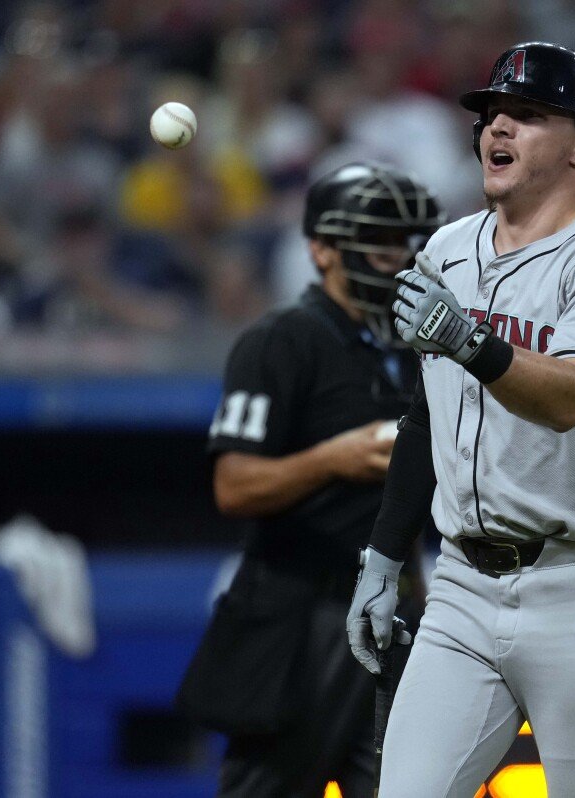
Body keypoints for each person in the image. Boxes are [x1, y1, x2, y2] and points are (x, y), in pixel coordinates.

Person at [344, 41, 575, 797]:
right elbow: (426, 417)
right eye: (493, 114)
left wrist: (467, 338)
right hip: (461, 586)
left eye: (527, 116)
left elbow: (570, 396)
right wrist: (385, 560)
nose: (499, 128)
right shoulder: (448, 249)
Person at [175, 162, 444, 798]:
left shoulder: (413, 347)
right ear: (321, 248)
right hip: (299, 611)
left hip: (391, 609)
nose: (396, 257)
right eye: (378, 242)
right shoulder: (279, 341)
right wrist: (332, 459)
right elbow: (233, 487)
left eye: (407, 243)